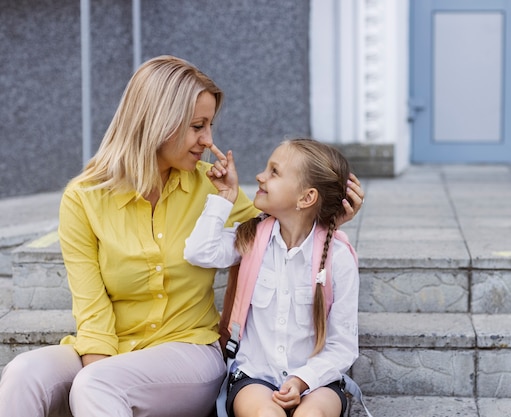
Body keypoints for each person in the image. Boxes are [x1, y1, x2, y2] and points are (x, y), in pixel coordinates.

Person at [0, 56, 364, 417]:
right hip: (110, 347)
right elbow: (91, 308)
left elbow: (280, 228)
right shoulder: (83, 197)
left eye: (209, 125)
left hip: (188, 350)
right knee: (23, 374)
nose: (208, 140)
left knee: (97, 384)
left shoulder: (214, 187)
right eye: (197, 126)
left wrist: (328, 219)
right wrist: (100, 367)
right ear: (159, 122)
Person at [184, 138, 360, 417]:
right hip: (255, 376)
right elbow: (198, 252)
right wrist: (224, 197)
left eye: (274, 172)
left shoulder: (338, 257)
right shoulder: (251, 238)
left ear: (306, 198)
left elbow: (343, 346)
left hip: (317, 382)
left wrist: (303, 379)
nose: (259, 176)